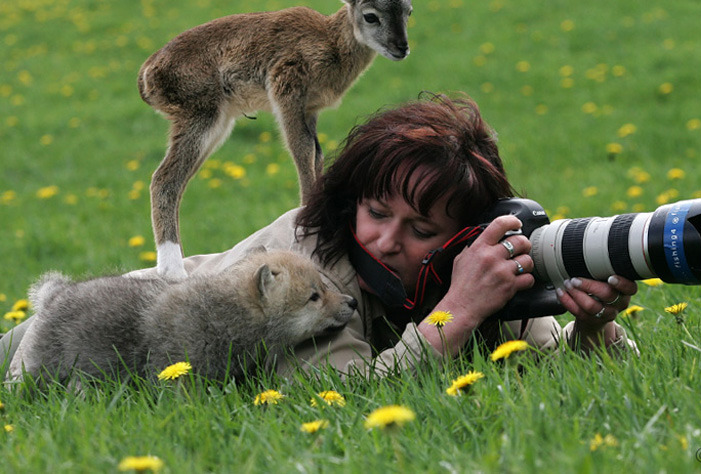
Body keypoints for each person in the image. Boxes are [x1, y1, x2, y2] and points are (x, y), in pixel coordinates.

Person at [1, 93, 637, 381]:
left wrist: (593, 326)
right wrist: (457, 314)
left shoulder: (478, 264)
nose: (386, 240)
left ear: (464, 237)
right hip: (97, 324)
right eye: (376, 212)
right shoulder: (305, 269)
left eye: (420, 229)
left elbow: (572, 368)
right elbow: (345, 396)